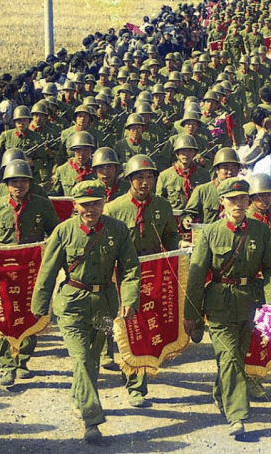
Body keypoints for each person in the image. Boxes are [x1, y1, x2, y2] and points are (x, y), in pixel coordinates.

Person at [31, 181, 141, 444]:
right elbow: (47, 271)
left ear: (104, 202)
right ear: (75, 205)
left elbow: (129, 269)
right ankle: (92, 420)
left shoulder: (117, 230)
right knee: (81, 358)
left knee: (92, 357)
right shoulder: (63, 232)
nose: (90, 209)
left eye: (96, 203)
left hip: (104, 304)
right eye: (84, 204)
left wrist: (130, 299)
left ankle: (78, 395)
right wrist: (39, 306)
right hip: (72, 305)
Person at [183, 177, 271, 438]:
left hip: (250, 301)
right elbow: (196, 277)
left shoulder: (261, 232)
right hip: (218, 303)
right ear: (222, 202)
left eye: (242, 199)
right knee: (229, 358)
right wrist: (191, 314)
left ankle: (221, 393)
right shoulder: (211, 232)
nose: (238, 204)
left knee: (236, 357)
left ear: (249, 201)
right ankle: (237, 415)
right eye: (232, 199)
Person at [104, 154, 188, 407]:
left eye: (149, 176)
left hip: (154, 273)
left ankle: (138, 371)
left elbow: (170, 236)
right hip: (123, 275)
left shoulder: (162, 205)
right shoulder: (114, 209)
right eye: (139, 177)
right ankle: (135, 384)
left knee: (148, 327)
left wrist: (177, 253)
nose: (145, 182)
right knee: (128, 329)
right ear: (129, 179)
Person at [0, 159, 60, 386]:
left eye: (23, 181)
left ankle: (23, 361)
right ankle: (6, 365)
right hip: (3, 270)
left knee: (31, 313)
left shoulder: (42, 205)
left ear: (30, 183)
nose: (19, 186)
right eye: (14, 182)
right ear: (6, 184)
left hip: (31, 270)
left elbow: (55, 232)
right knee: (3, 316)